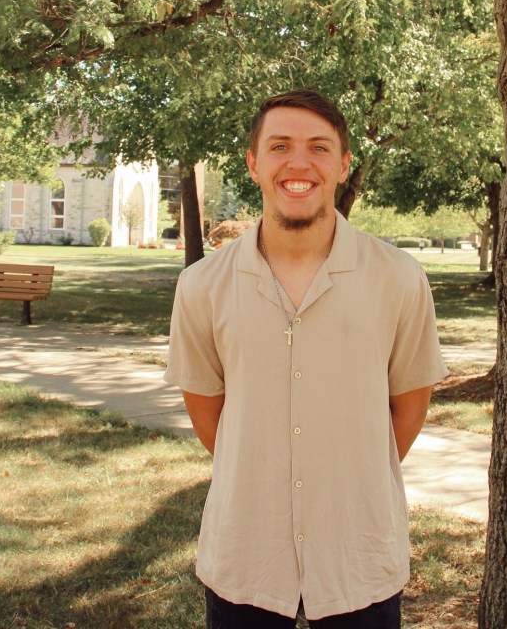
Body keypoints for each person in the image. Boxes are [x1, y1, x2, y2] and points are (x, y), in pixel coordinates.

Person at [165, 89, 447, 627]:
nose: (299, 163)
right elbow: (208, 414)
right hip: (246, 554)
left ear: (343, 164)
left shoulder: (398, 278)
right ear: (254, 164)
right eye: (280, 147)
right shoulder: (202, 285)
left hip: (358, 555)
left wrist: (347, 475)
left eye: (319, 147)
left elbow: (408, 408)